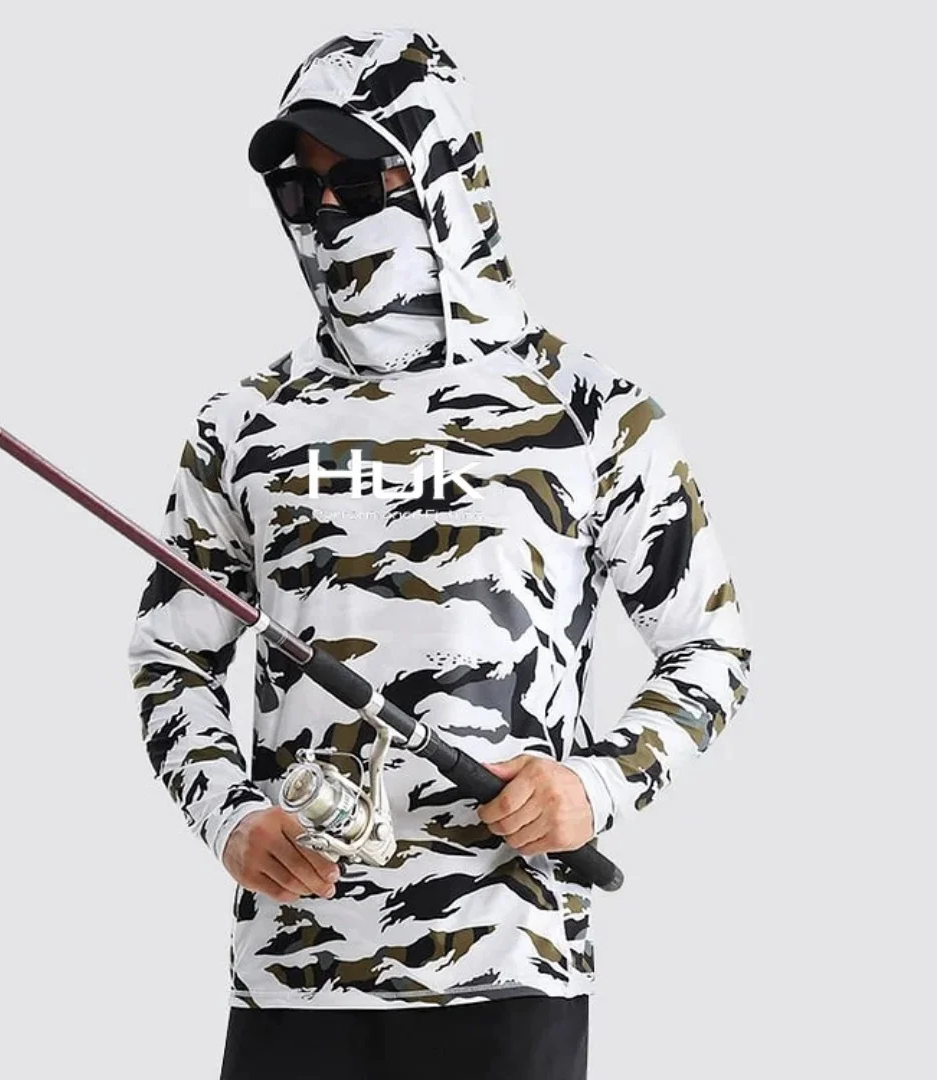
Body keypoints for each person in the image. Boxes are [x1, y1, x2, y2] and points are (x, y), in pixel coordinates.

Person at [126, 26, 752, 1080]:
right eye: (302, 189)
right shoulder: (244, 424)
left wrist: (597, 788)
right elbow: (169, 655)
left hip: (510, 970)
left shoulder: (588, 409)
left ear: (442, 175)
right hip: (294, 973)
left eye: (356, 179)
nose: (328, 213)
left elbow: (710, 646)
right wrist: (226, 815)